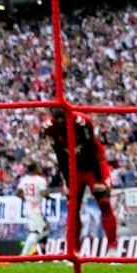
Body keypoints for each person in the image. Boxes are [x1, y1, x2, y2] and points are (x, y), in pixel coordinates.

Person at [45, 105, 117, 254]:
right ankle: (74, 250)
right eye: (56, 117)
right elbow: (60, 155)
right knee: (73, 208)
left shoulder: (82, 122)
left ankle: (113, 248)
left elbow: (91, 150)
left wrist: (98, 179)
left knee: (103, 202)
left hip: (93, 164)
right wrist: (68, 181)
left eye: (62, 117)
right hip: (74, 167)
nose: (60, 121)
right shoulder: (49, 127)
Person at [16, 164, 50, 257]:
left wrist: (27, 198)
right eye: (39, 167)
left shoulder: (24, 179)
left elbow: (17, 193)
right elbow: (43, 193)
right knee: (37, 231)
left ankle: (30, 250)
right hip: (35, 208)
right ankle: (24, 255)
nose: (41, 169)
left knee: (44, 229)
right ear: (35, 170)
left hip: (28, 207)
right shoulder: (40, 180)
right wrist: (49, 196)